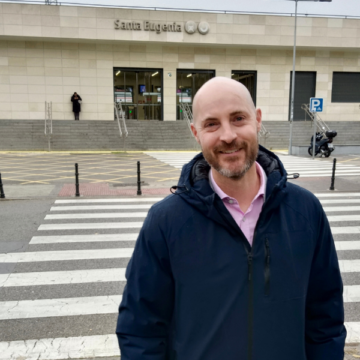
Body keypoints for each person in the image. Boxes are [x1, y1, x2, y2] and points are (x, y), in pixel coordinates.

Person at [116, 77, 346, 360]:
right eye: (211, 124)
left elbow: (325, 321)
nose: (227, 135)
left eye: (238, 118)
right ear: (195, 132)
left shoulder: (305, 212)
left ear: (257, 120)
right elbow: (141, 331)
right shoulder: (165, 223)